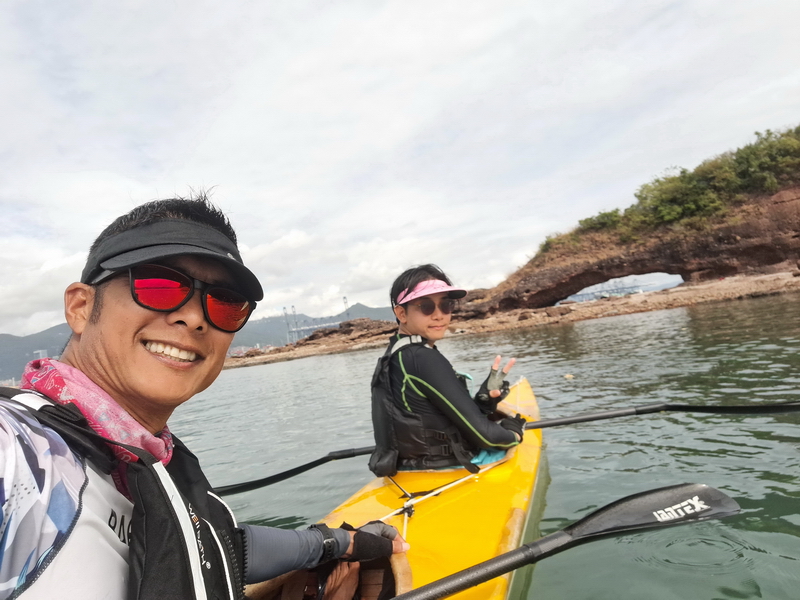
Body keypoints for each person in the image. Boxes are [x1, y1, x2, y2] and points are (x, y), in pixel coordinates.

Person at [0, 195, 406, 600]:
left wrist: (332, 542)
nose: (194, 318)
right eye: (159, 286)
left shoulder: (143, 457)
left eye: (225, 303)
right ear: (80, 307)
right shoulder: (23, 453)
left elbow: (207, 546)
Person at [369, 264, 526, 477]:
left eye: (446, 305)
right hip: (444, 468)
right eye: (426, 306)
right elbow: (487, 437)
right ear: (401, 313)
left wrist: (482, 402)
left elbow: (425, 415)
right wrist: (514, 433)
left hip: (407, 470)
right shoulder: (422, 358)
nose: (439, 315)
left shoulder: (395, 353)